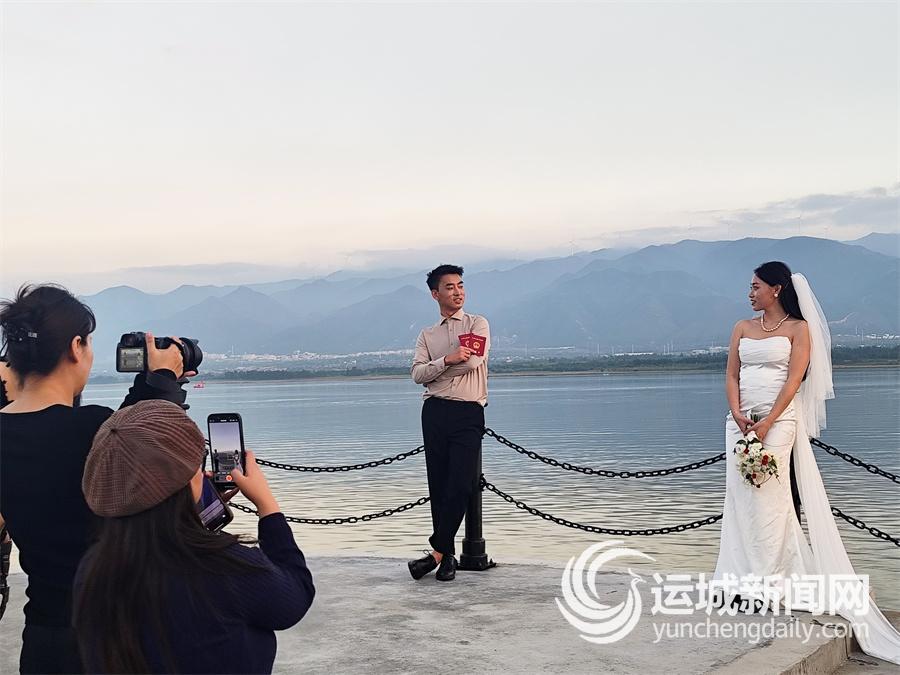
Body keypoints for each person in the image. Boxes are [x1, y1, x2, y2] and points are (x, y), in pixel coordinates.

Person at [713, 261, 900, 664]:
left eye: (756, 286)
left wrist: (768, 422)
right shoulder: (741, 328)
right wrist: (738, 414)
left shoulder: (799, 329)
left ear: (776, 289)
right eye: (750, 287)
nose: (750, 293)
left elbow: (794, 379)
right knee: (740, 499)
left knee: (770, 498)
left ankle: (770, 582)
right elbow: (731, 375)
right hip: (739, 423)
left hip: (778, 422)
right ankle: (738, 579)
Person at [0, 284, 189, 674]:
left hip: (45, 636)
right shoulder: (91, 427)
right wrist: (163, 379)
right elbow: (131, 438)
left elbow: (114, 434)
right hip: (112, 631)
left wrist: (154, 386)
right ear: (76, 347)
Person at [73, 399, 315, 674]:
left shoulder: (93, 568)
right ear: (188, 480)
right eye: (197, 463)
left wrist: (191, 514)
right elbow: (294, 599)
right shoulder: (223, 567)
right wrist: (267, 507)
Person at [408, 264, 490, 582]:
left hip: (468, 412)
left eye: (461, 285)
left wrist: (436, 372)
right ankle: (448, 558)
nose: (458, 292)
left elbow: (472, 362)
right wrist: (446, 359)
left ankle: (437, 552)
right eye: (450, 287)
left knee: (461, 483)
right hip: (434, 413)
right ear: (435, 294)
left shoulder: (476, 324)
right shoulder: (427, 335)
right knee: (439, 485)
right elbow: (417, 375)